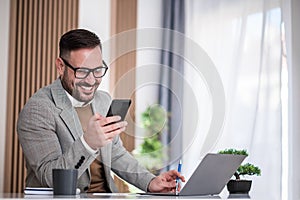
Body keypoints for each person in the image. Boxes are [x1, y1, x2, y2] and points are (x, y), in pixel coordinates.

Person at [17, 29, 185, 193]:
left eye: (97, 70)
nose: (91, 81)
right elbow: (50, 178)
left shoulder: (102, 100)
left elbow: (115, 153)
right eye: (82, 71)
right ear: (61, 66)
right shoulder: (38, 110)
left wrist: (150, 181)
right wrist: (88, 143)